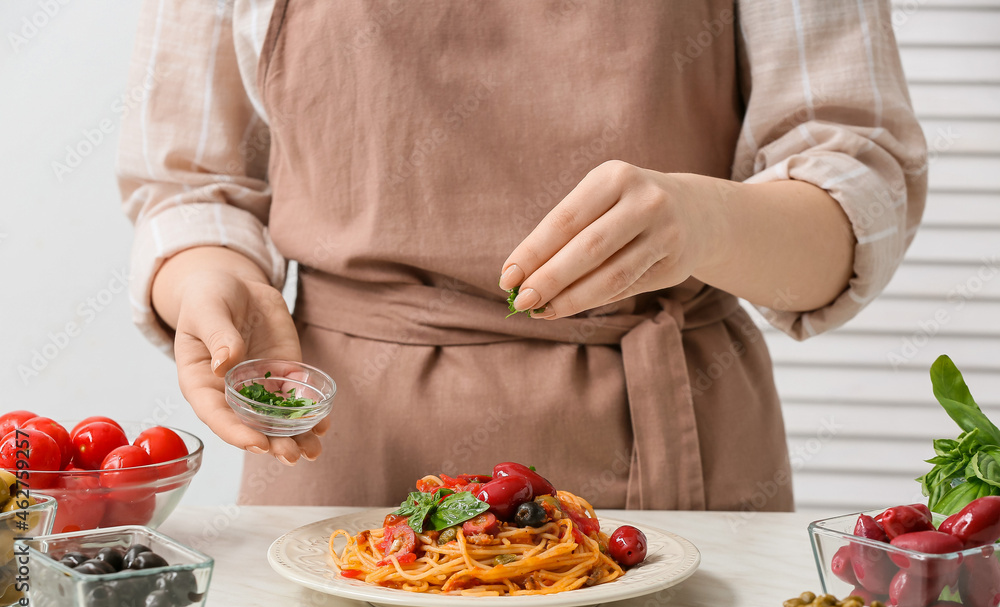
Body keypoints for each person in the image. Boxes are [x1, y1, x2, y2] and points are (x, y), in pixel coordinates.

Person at [118, 1, 927, 510]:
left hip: (680, 453)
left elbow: (855, 186)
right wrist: (206, 278)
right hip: (345, 456)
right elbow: (189, 184)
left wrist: (708, 223)